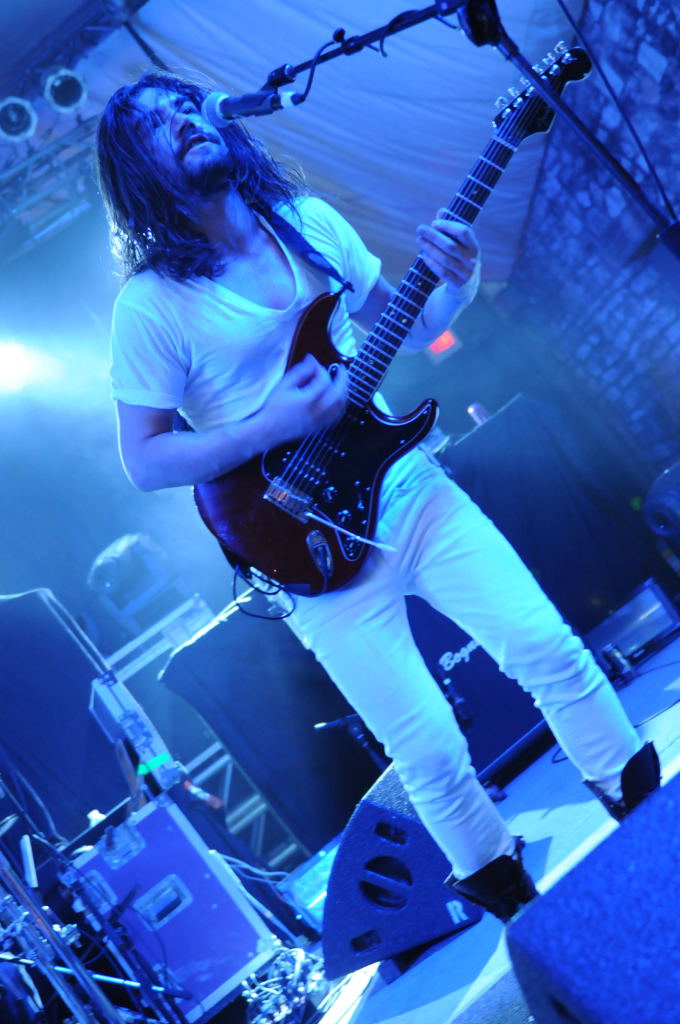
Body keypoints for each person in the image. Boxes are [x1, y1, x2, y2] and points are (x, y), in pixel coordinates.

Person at [96, 70, 660, 923]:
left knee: (548, 645)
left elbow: (413, 326)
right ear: (136, 169)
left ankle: (650, 824)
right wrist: (270, 424)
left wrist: (455, 283)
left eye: (184, 104)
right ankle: (532, 919)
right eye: (154, 124)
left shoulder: (307, 224)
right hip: (302, 543)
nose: (181, 120)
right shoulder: (151, 306)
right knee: (427, 748)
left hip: (406, 486)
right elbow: (144, 460)